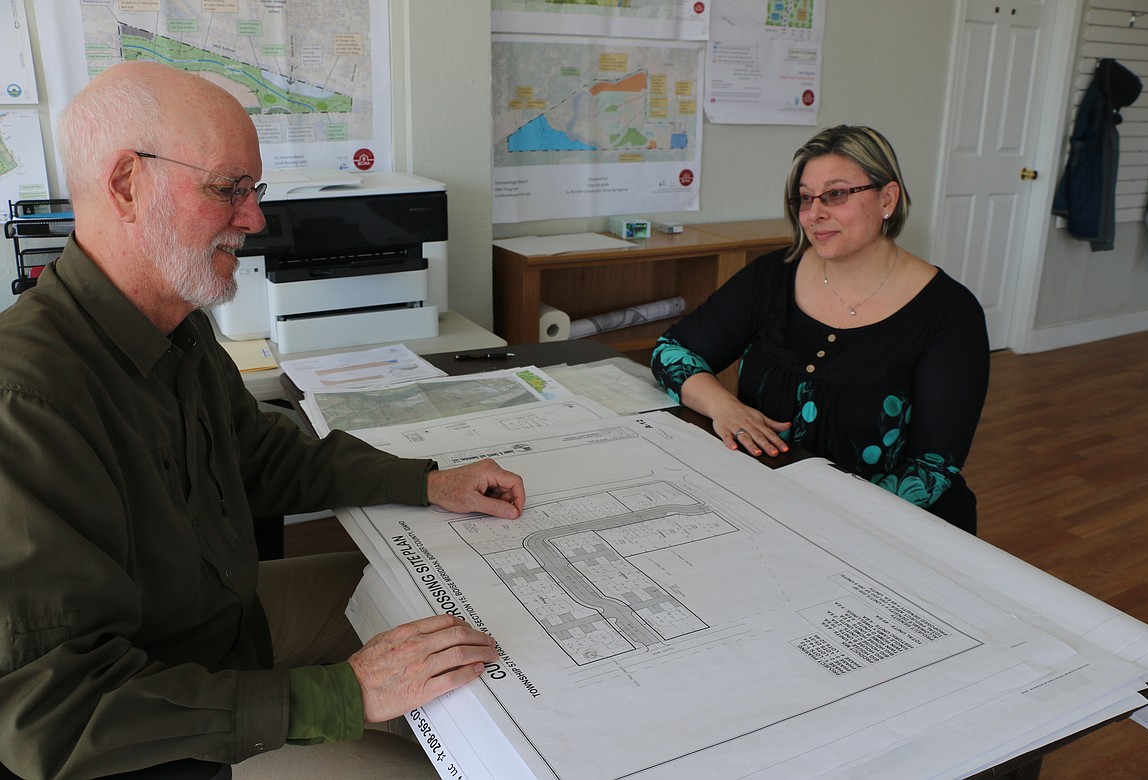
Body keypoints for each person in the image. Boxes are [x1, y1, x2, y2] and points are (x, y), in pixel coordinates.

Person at [0, 61, 525, 779]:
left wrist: (426, 482)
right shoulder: (26, 402)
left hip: (224, 628)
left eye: (254, 191)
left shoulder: (177, 328)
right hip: (159, 732)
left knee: (439, 617)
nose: (254, 219)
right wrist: (341, 694)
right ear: (126, 185)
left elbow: (259, 459)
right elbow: (53, 715)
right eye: (227, 189)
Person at [652, 125, 989, 534]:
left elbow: (933, 468)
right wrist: (725, 407)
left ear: (887, 198)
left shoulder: (950, 313)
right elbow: (672, 352)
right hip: (771, 510)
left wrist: (826, 520)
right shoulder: (773, 275)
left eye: (836, 194)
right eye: (805, 198)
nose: (815, 213)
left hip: (888, 530)